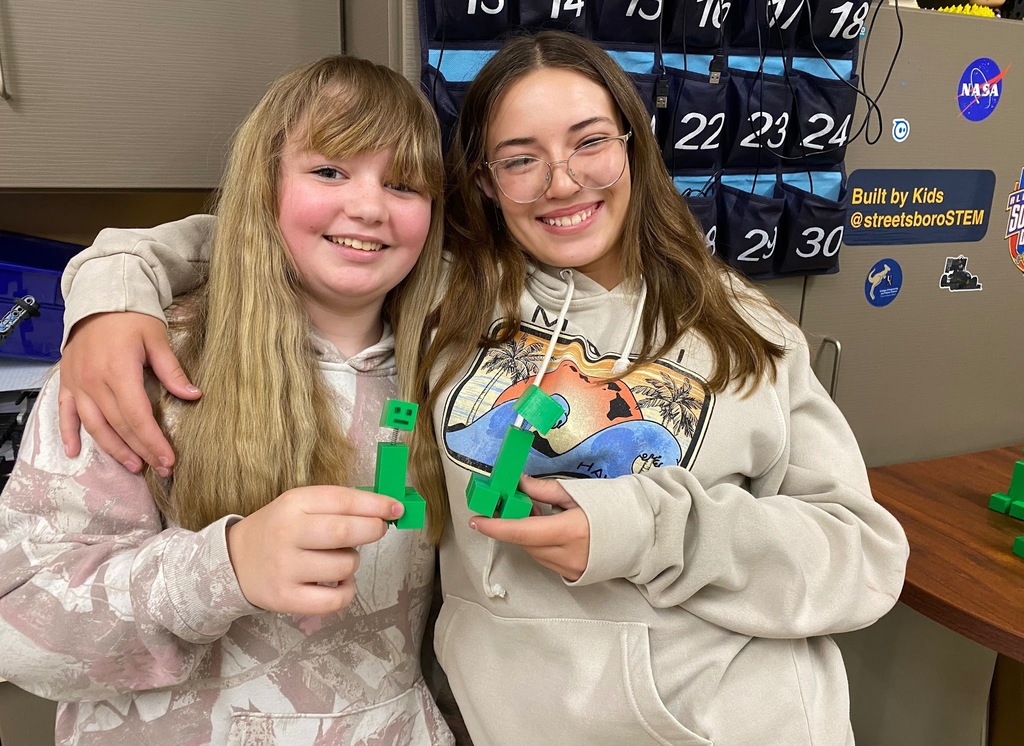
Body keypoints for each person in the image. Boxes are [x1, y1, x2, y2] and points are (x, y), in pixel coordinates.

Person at [54, 31, 909, 746]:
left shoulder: (750, 331)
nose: (563, 182)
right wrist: (110, 290)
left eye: (588, 142)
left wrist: (650, 530)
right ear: (487, 184)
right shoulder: (451, 297)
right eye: (520, 158)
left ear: (632, 145)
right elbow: (273, 231)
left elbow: (865, 561)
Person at [0, 55, 456, 746]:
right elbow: (20, 628)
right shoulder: (141, 360)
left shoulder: (459, 376)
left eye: (403, 183)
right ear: (266, 181)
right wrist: (226, 566)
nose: (367, 206)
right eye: (330, 170)